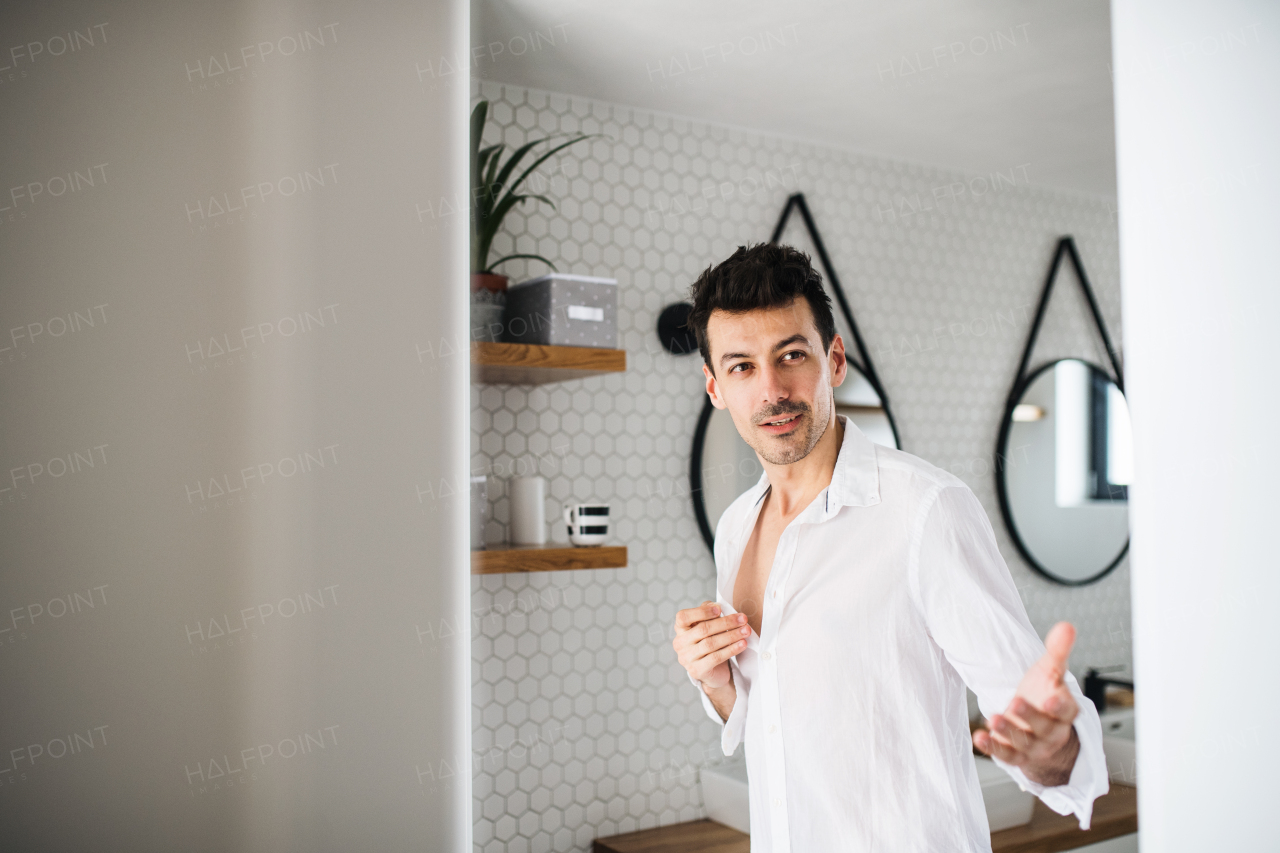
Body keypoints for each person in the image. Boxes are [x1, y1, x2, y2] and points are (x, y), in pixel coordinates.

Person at [672, 243, 1107, 852]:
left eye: (791, 355)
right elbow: (770, 716)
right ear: (716, 387)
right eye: (742, 367)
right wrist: (716, 682)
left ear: (835, 359)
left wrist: (1052, 747)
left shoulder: (927, 510)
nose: (772, 389)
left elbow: (1032, 716)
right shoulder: (736, 527)